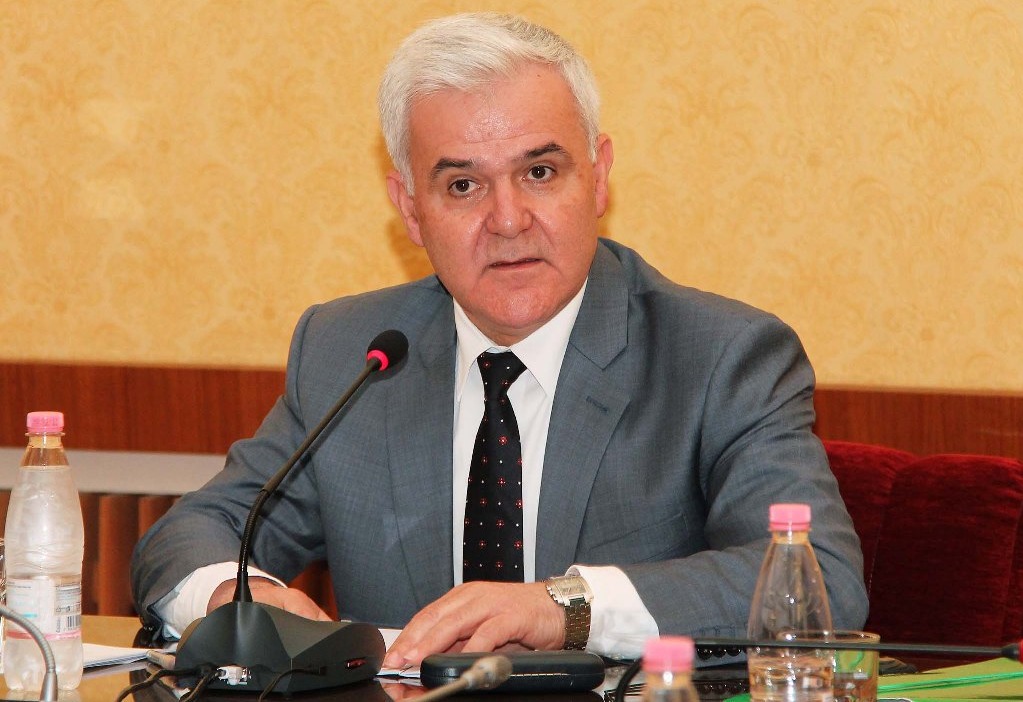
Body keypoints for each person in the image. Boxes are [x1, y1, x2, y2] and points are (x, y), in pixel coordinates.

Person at [130, 12, 867, 667]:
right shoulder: (352, 352)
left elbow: (822, 583)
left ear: (598, 178)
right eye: (462, 186)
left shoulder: (720, 356)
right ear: (409, 210)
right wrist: (241, 595)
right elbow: (197, 530)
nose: (508, 220)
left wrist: (564, 609)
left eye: (540, 172)